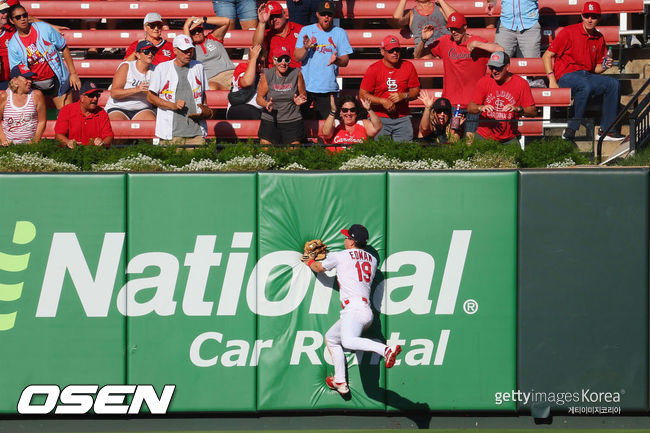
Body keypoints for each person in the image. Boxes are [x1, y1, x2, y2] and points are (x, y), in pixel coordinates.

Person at [301, 224, 402, 396]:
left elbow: (319, 268)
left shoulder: (340, 256)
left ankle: (385, 350)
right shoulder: (373, 260)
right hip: (364, 311)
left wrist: (309, 260)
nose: (345, 239)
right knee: (332, 339)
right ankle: (340, 381)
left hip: (353, 310)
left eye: (348, 237)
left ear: (353, 242)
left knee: (348, 342)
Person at [542, 0, 624, 141]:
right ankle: (571, 129)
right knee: (584, 85)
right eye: (587, 16)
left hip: (587, 76)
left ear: (599, 18)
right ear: (581, 16)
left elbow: (595, 68)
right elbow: (547, 55)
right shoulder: (568, 32)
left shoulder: (599, 37)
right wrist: (551, 79)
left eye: (593, 16)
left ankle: (607, 130)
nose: (590, 19)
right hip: (567, 76)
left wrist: (605, 66)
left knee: (613, 83)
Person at [423, 12, 503, 141]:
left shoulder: (477, 41)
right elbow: (419, 54)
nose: (454, 32)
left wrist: (477, 44)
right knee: (451, 139)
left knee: (470, 141)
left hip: (474, 104)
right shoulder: (445, 41)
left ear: (465, 27)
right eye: (451, 29)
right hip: (453, 103)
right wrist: (423, 40)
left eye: (457, 28)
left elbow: (500, 50)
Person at [7, 4, 81, 109]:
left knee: (66, 114)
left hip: (56, 78)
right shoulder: (13, 44)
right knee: (35, 119)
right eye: (18, 17)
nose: (23, 19)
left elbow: (63, 47)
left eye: (25, 15)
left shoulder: (44, 28)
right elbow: (16, 71)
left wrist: (73, 73)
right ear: (11, 20)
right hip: (33, 83)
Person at [147, 35, 212, 145]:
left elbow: (203, 94)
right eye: (184, 50)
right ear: (175, 50)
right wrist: (173, 105)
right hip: (170, 134)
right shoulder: (162, 68)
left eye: (190, 50)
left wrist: (205, 110)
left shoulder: (199, 66)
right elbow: (150, 97)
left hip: (197, 133)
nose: (188, 53)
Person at [294, 0, 352, 120]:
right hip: (306, 87)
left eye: (329, 14)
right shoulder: (306, 30)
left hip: (328, 87)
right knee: (300, 123)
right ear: (317, 14)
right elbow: (297, 57)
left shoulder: (340, 33)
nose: (326, 17)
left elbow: (345, 61)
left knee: (328, 127)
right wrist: (306, 48)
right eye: (323, 14)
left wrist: (336, 60)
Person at [359, 35, 420, 142]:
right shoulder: (374, 69)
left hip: (402, 116)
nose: (395, 53)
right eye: (391, 50)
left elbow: (416, 91)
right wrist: (382, 101)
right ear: (382, 52)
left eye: (397, 49)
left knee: (405, 152)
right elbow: (362, 95)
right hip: (379, 116)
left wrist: (404, 95)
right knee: (381, 152)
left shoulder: (408, 66)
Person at [468, 51, 536, 144]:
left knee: (519, 158)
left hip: (509, 138)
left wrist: (518, 109)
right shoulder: (484, 82)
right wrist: (481, 107)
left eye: (498, 68)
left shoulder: (521, 84)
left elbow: (532, 111)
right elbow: (470, 108)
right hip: (484, 136)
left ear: (507, 67)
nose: (494, 71)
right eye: (491, 67)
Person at [256, 45, 307, 144]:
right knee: (266, 150)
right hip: (271, 119)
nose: (283, 63)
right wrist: (266, 104)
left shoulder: (297, 73)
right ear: (274, 61)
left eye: (287, 60)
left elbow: (303, 94)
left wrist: (301, 99)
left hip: (292, 119)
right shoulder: (268, 74)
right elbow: (259, 98)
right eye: (280, 59)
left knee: (293, 153)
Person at [488, 0, 544, 88]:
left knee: (534, 66)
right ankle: (498, 93)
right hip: (506, 22)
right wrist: (492, 3)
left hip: (529, 21)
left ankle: (537, 97)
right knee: (498, 62)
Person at [105, 40, 156, 121]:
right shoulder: (126, 66)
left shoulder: (156, 70)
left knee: (150, 123)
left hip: (143, 108)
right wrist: (137, 89)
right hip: (119, 107)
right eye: (146, 51)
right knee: (116, 124)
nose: (150, 54)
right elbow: (114, 93)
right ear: (138, 54)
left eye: (153, 51)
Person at [54, 81, 114, 148]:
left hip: (95, 154)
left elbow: (109, 136)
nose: (95, 99)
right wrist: (68, 142)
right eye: (91, 96)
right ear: (82, 97)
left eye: (97, 95)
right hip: (71, 153)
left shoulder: (101, 113)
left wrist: (103, 143)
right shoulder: (67, 110)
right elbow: (59, 135)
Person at [183, 15, 235, 90]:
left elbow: (226, 21)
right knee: (211, 88)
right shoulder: (190, 48)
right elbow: (186, 44)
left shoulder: (213, 38)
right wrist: (186, 26)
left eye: (199, 30)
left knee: (244, 82)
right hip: (211, 79)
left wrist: (202, 20)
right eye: (193, 32)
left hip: (229, 73)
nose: (197, 33)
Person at [0, 64, 45, 144]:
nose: (30, 81)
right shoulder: (4, 96)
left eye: (30, 78)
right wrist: (3, 140)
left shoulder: (37, 95)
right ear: (15, 80)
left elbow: (42, 121)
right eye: (26, 78)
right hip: (9, 144)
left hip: (30, 144)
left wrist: (35, 141)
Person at [253, 1, 303, 69]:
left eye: (277, 15)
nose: (274, 19)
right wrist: (262, 22)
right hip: (275, 75)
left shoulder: (300, 29)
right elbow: (256, 46)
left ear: (285, 14)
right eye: (270, 17)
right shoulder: (266, 34)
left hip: (299, 73)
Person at [227, 44, 263, 120]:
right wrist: (253, 59)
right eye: (257, 62)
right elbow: (247, 82)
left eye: (262, 62)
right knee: (253, 114)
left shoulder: (267, 71)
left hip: (260, 110)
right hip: (240, 108)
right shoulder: (243, 67)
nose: (259, 65)